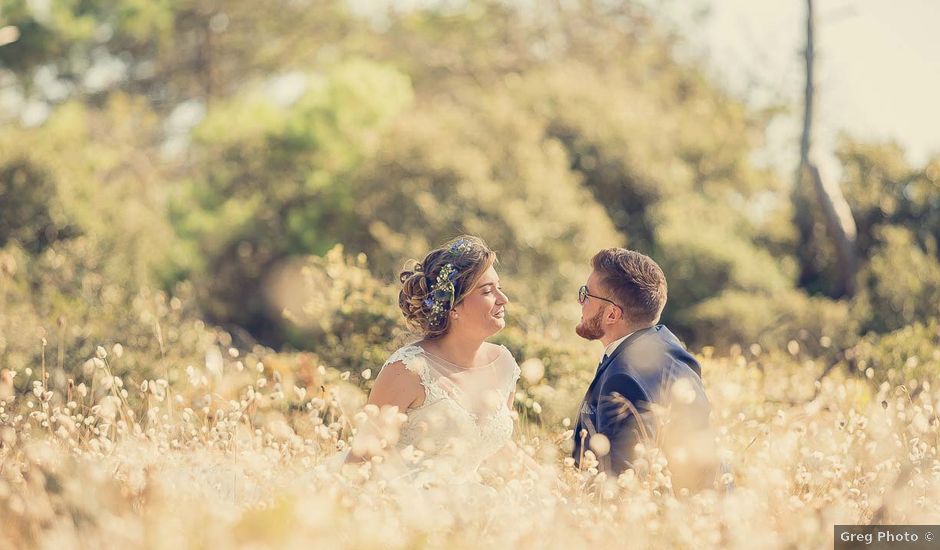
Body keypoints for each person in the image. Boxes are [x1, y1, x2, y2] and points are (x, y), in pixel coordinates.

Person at [347, 235, 522, 484]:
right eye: (487, 291)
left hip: (468, 507)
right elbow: (359, 465)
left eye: (499, 287)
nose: (503, 299)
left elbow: (497, 446)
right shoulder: (407, 370)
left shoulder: (503, 364)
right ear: (454, 308)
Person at [572, 248, 716, 490]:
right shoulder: (666, 346)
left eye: (586, 294)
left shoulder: (625, 378)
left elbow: (620, 484)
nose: (580, 300)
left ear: (612, 314)